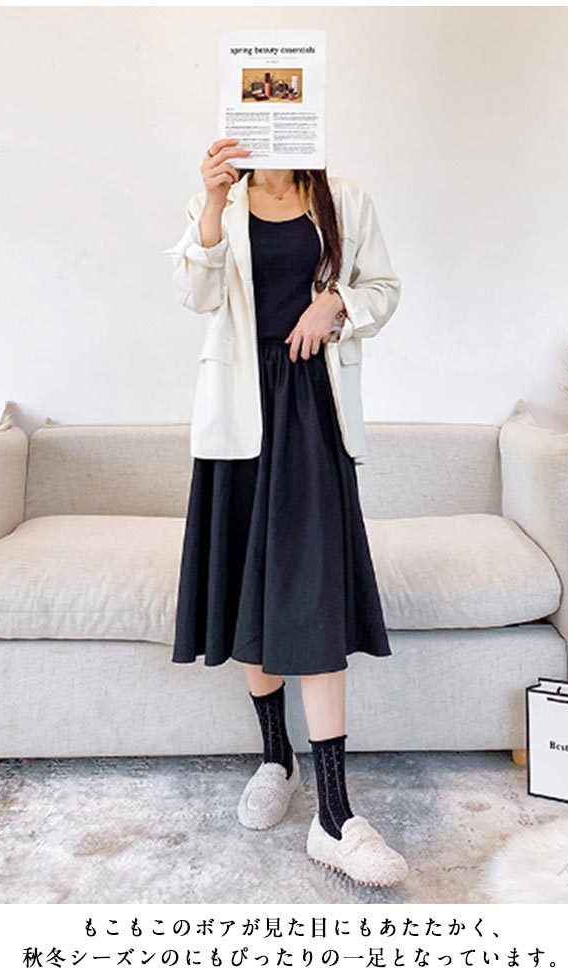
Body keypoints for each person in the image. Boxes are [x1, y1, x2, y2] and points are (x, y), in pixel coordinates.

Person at [165, 138, 407, 888]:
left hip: (311, 404)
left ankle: (334, 816)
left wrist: (336, 304)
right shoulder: (219, 203)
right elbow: (194, 294)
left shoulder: (346, 200)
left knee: (313, 590)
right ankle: (277, 758)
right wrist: (212, 201)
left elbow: (385, 288)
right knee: (251, 579)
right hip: (239, 410)